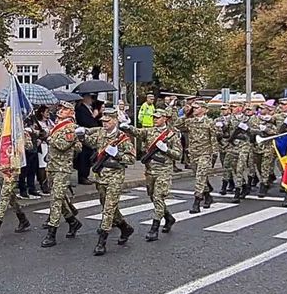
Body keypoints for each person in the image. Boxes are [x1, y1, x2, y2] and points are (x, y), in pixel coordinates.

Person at [77, 109, 136, 256]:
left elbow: (131, 159)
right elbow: (92, 143)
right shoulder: (101, 133)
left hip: (115, 176)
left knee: (108, 209)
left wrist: (117, 155)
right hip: (101, 175)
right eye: (103, 121)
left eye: (108, 121)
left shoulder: (123, 138)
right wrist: (82, 137)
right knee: (108, 206)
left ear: (115, 120)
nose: (104, 123)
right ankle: (125, 228)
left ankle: (101, 242)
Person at [123, 108, 182, 241]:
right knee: (153, 197)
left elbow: (178, 155)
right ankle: (169, 218)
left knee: (158, 197)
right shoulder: (150, 131)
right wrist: (127, 127)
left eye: (158, 117)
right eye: (154, 117)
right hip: (150, 171)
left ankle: (154, 228)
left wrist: (166, 149)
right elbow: (138, 132)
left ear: (165, 119)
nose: (155, 119)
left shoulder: (172, 134)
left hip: (164, 171)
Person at [39, 102, 84, 248]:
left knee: (56, 199)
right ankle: (72, 221)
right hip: (53, 167)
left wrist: (48, 138)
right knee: (59, 198)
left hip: (63, 168)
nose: (60, 111)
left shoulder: (70, 127)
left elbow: (63, 145)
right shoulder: (57, 125)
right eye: (60, 108)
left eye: (64, 109)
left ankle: (51, 233)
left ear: (70, 112)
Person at [176, 100, 219, 213]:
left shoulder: (210, 122)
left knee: (200, 175)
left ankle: (197, 201)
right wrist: (187, 114)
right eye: (193, 108)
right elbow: (177, 125)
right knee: (199, 176)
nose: (194, 109)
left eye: (197, 108)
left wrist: (214, 154)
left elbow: (214, 138)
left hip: (205, 153)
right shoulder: (190, 121)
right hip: (193, 154)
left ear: (204, 109)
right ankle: (208, 194)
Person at [74, 94, 100, 185]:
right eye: (89, 97)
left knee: (89, 156)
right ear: (84, 98)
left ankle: (86, 175)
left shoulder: (89, 108)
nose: (91, 100)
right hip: (84, 135)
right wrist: (93, 117)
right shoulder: (81, 109)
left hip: (90, 135)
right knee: (83, 157)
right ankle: (82, 176)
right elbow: (85, 121)